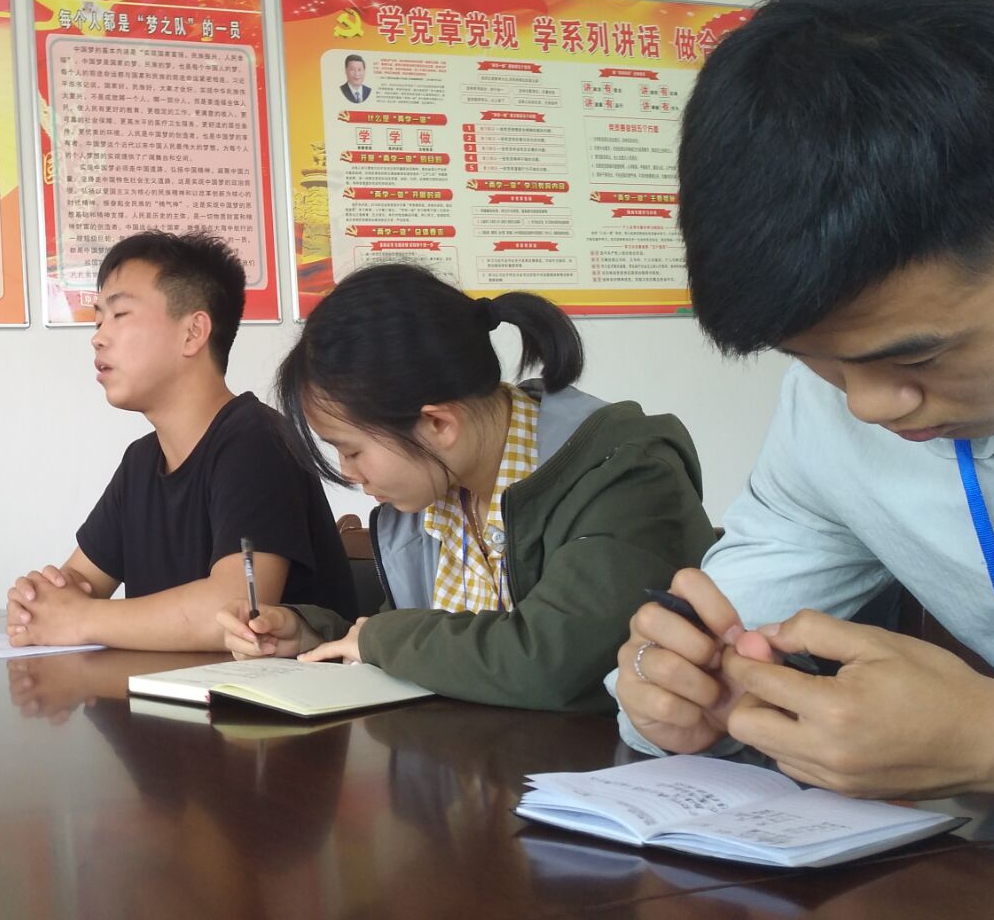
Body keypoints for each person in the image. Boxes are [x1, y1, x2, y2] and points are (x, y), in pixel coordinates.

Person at [611, 0, 994, 812]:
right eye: (815, 358)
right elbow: (725, 636)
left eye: (919, 358)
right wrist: (674, 690)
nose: (867, 406)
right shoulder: (827, 415)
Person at [217, 264, 714, 710]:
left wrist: (380, 640)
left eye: (351, 450)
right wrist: (314, 636)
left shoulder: (623, 475)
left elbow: (551, 661)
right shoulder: (436, 498)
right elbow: (436, 641)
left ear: (438, 424)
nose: (349, 472)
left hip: (604, 773)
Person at [8, 232, 354, 651]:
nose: (97, 337)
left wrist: (78, 618)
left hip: (279, 692)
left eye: (119, 314)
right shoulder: (141, 461)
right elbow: (79, 583)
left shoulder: (257, 441)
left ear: (193, 332)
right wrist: (36, 604)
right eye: (98, 320)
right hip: (169, 691)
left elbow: (234, 611)